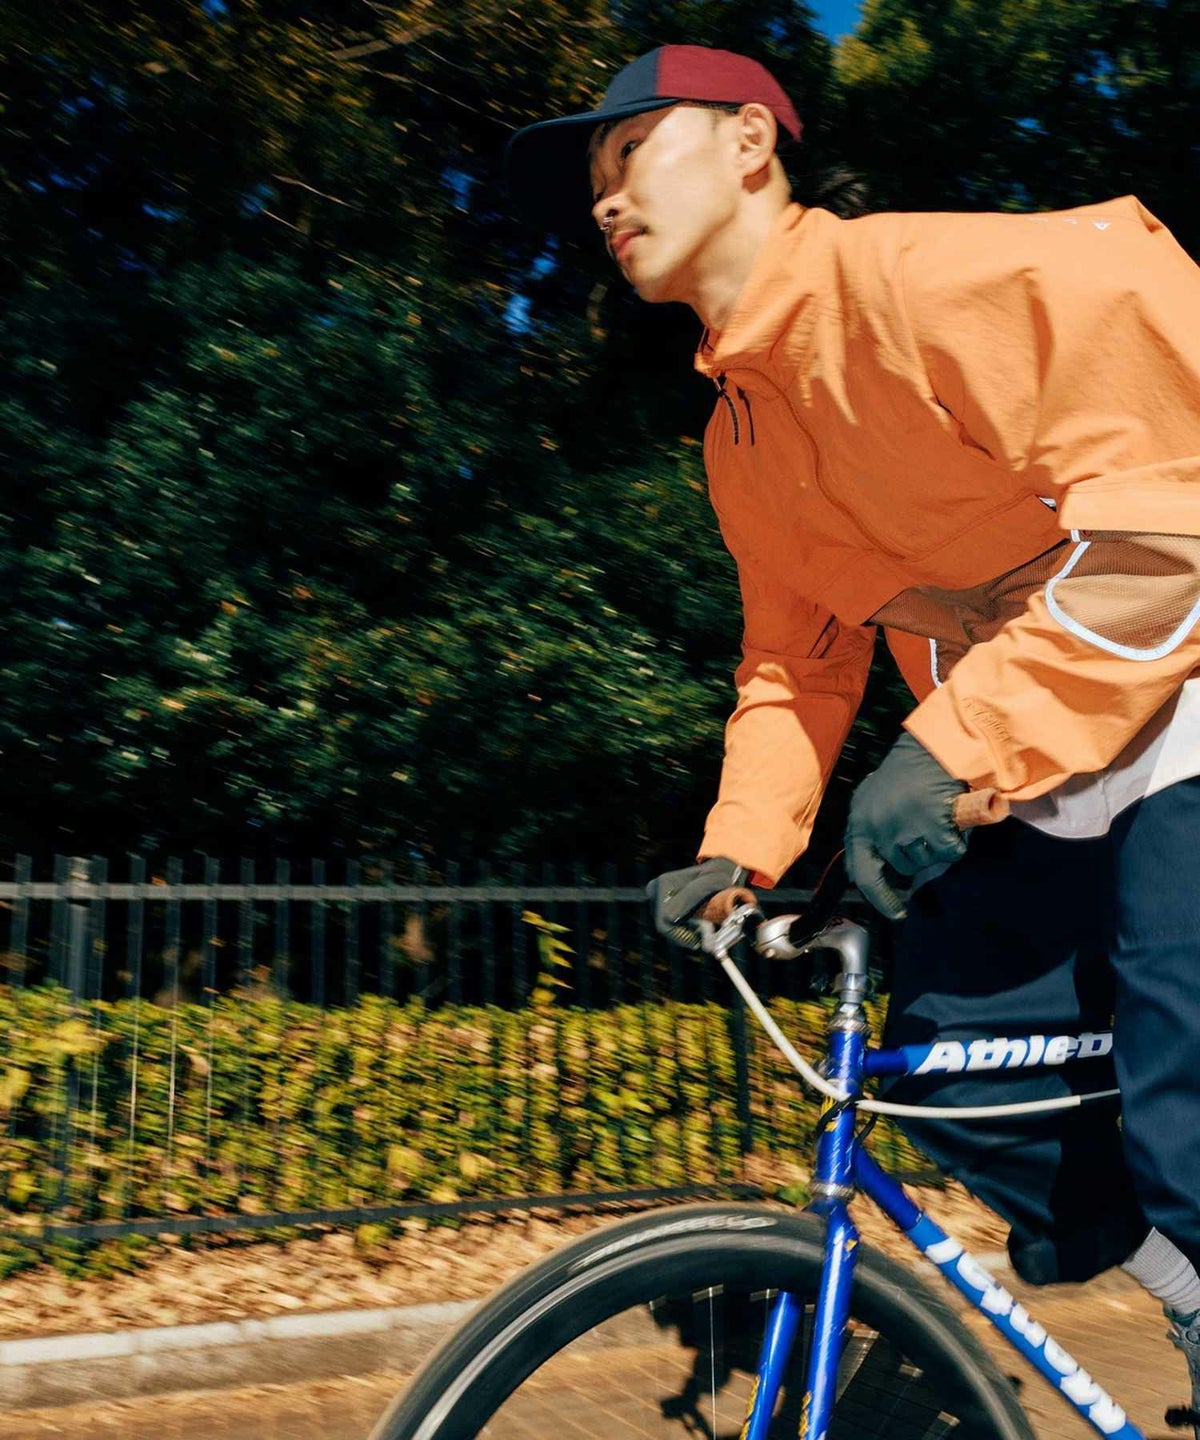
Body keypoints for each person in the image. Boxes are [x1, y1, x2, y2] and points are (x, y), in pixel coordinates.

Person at [506, 43, 1200, 1424]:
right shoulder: (743, 442)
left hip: (1176, 689)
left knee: (1184, 1087)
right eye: (593, 178)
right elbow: (797, 659)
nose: (603, 197)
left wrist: (956, 745)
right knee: (945, 1067)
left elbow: (1173, 513)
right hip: (1030, 749)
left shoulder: (927, 280)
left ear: (749, 144)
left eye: (629, 151)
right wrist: (742, 851)